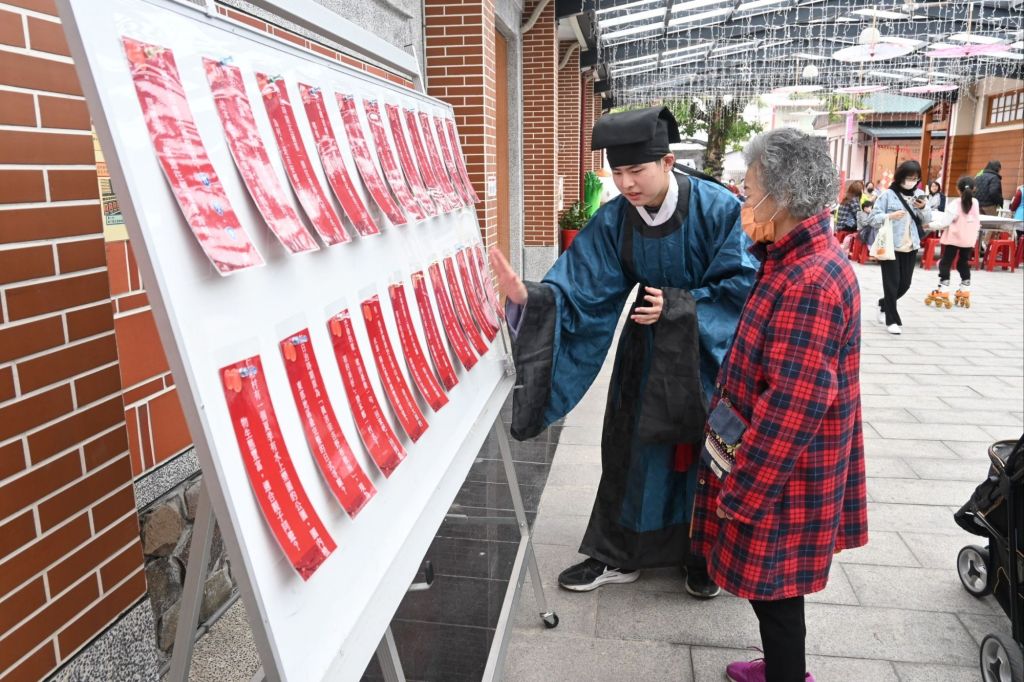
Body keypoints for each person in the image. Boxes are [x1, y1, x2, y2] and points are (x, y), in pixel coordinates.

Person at [488, 106, 757, 598]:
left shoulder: (719, 209)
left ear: (668, 162)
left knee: (705, 452)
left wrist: (681, 306)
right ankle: (620, 552)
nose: (627, 183)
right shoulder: (616, 219)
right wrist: (534, 298)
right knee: (632, 449)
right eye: (618, 173)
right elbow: (582, 283)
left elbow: (744, 284)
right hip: (646, 348)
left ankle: (702, 556)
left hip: (707, 352)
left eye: (637, 170)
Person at [691, 127, 868, 682]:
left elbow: (793, 404)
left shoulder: (810, 279)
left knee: (776, 590)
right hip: (781, 462)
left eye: (749, 191)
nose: (743, 203)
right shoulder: (791, 257)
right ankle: (781, 669)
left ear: (783, 196)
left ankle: (787, 675)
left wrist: (742, 491)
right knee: (774, 584)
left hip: (784, 468)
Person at [868, 160, 932, 335]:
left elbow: (927, 220)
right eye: (909, 178)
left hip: (911, 245)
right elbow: (872, 219)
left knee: (905, 284)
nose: (912, 181)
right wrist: (890, 216)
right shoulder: (888, 195)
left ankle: (883, 304)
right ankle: (892, 320)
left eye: (915, 178)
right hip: (891, 245)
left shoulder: (919, 194)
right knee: (892, 283)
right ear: (901, 177)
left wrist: (924, 208)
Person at [925, 176, 982, 309]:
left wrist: (928, 225)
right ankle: (965, 289)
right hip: (968, 239)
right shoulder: (975, 202)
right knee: (963, 263)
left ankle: (943, 289)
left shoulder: (955, 204)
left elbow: (944, 223)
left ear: (957, 189)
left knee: (946, 262)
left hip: (954, 239)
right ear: (974, 189)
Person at [835, 181, 863, 253]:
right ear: (859, 191)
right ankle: (859, 251)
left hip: (840, 226)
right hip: (847, 226)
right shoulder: (854, 200)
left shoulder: (846, 198)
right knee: (866, 229)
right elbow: (858, 215)